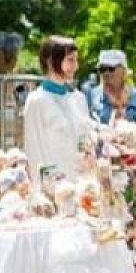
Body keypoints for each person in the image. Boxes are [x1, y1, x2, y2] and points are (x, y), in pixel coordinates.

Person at [23, 35, 93, 184]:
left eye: (76, 60)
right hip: (54, 191)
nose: (76, 66)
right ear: (50, 61)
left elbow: (86, 141)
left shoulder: (78, 99)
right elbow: (33, 153)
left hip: (82, 188)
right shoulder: (36, 101)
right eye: (70, 60)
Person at [88, 49, 136, 126]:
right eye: (102, 69)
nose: (106, 73)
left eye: (111, 69)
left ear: (123, 70)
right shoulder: (91, 96)